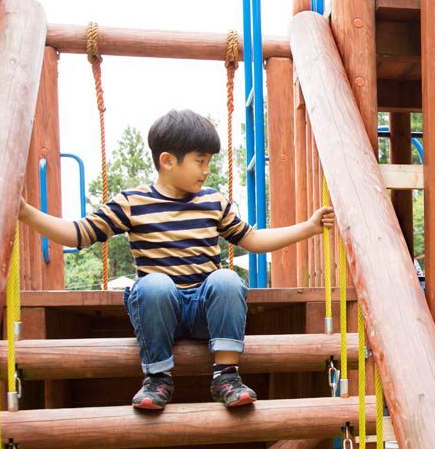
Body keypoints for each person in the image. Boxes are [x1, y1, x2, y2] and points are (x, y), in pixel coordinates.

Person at [19, 109, 335, 411]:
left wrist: (308, 228)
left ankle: (226, 377)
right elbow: (78, 234)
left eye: (208, 161)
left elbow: (252, 239)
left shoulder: (212, 201)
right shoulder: (132, 202)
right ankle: (157, 378)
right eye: (200, 161)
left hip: (203, 311)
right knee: (153, 285)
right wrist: (25, 213)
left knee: (226, 279)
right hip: (160, 311)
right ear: (167, 161)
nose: (206, 170)